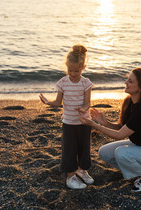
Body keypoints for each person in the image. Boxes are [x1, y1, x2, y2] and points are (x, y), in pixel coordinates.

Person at [79, 68, 141, 192]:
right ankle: (136, 171)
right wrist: (105, 123)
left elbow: (119, 135)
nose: (126, 82)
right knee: (104, 152)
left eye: (130, 81)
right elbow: (123, 127)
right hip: (138, 146)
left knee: (121, 153)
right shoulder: (129, 102)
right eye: (127, 79)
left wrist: (93, 124)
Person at [39, 44, 94, 190]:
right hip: (69, 123)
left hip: (84, 122)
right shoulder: (63, 82)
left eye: (76, 70)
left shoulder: (86, 83)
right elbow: (58, 102)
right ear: (66, 67)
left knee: (84, 148)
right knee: (70, 149)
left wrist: (83, 109)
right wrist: (48, 102)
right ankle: (71, 177)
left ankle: (82, 170)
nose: (73, 73)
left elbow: (88, 102)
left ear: (83, 67)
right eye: (70, 70)